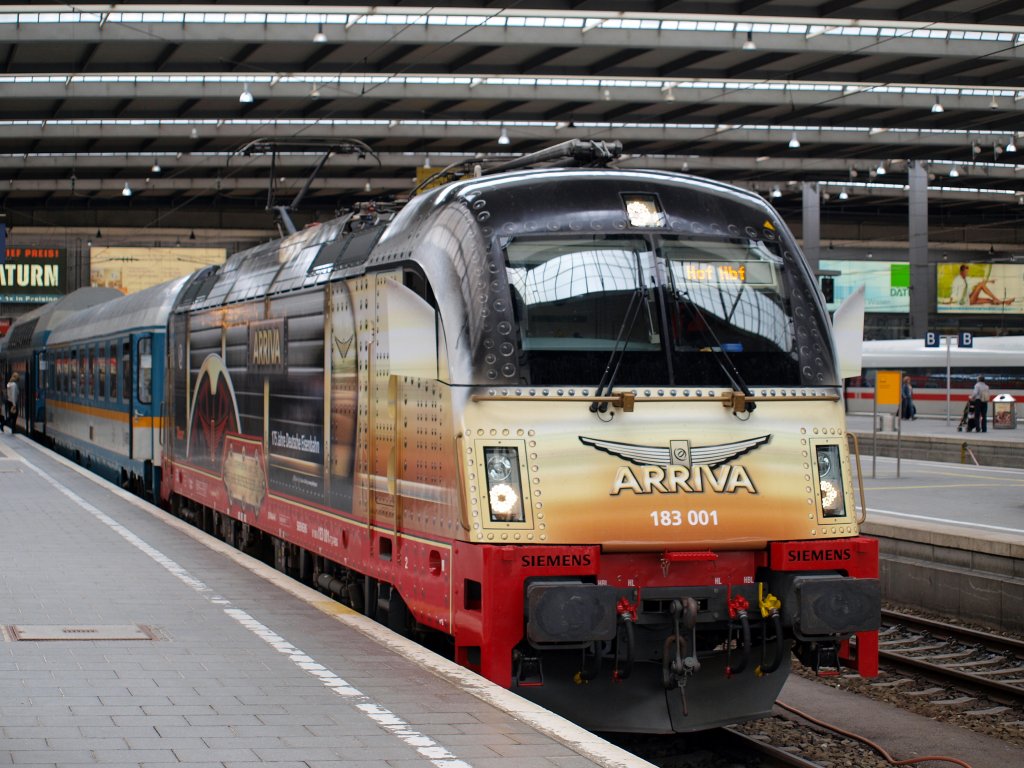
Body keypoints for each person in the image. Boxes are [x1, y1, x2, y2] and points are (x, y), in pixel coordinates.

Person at [949, 264, 1013, 306]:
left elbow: (977, 280)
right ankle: (996, 299)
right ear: (961, 271)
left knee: (988, 300)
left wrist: (989, 281)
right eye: (965, 272)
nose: (967, 273)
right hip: (966, 302)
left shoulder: (966, 279)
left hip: (970, 298)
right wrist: (950, 301)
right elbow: (954, 292)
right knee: (981, 285)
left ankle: (1005, 302)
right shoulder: (957, 280)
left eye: (967, 272)